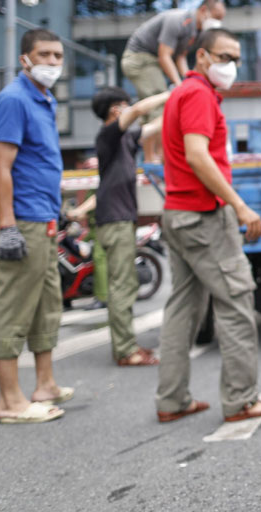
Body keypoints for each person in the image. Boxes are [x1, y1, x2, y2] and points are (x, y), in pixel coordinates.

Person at [156, 28, 261, 424]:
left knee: (183, 307)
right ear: (202, 57)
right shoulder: (197, 95)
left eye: (236, 59)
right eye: (224, 57)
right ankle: (242, 401)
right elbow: (197, 155)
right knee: (236, 303)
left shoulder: (183, 93)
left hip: (178, 214)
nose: (231, 66)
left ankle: (171, 400)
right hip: (202, 217)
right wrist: (240, 207)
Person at [0, 29, 72, 424]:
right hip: (23, 219)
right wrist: (7, 226)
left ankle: (45, 384)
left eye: (57, 55)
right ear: (25, 59)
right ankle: (10, 401)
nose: (53, 62)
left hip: (45, 217)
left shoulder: (45, 99)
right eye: (44, 55)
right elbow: (0, 167)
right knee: (14, 307)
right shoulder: (14, 99)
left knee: (45, 305)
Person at [69, 87, 170, 366]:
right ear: (115, 110)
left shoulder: (125, 139)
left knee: (125, 284)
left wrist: (181, 101)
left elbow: (153, 127)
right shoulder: (109, 135)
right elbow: (138, 112)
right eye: (123, 105)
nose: (128, 109)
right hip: (114, 220)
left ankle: (128, 346)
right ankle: (126, 350)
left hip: (121, 218)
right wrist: (171, 93)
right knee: (122, 285)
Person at [121, 0, 225, 162]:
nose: (218, 22)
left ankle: (159, 154)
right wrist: (179, 85)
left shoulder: (195, 31)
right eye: (217, 17)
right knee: (157, 103)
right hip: (139, 58)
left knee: (166, 102)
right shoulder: (177, 20)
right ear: (204, 10)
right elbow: (164, 56)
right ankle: (152, 157)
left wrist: (189, 81)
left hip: (153, 60)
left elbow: (180, 57)